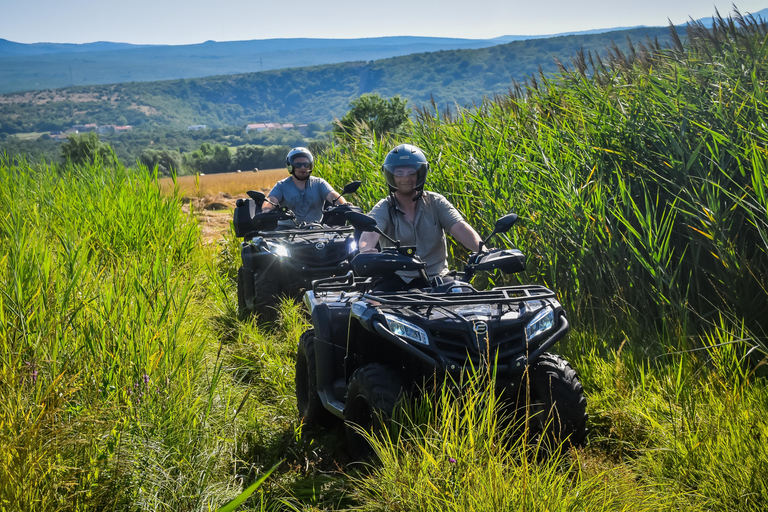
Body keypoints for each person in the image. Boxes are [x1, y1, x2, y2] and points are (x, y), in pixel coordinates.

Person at [358, 143, 483, 289]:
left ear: (420, 174)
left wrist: (482, 250)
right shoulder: (384, 207)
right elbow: (369, 233)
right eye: (399, 173)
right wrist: (366, 251)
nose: (406, 178)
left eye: (411, 172)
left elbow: (460, 228)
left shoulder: (436, 202)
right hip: (398, 279)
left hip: (437, 277)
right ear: (391, 176)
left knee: (464, 296)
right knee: (373, 304)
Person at [262, 147, 346, 225]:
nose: (303, 167)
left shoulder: (319, 183)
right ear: (290, 166)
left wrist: (345, 205)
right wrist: (267, 209)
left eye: (306, 164)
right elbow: (271, 200)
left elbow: (332, 195)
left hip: (315, 229)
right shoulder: (281, 186)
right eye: (298, 164)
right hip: (286, 231)